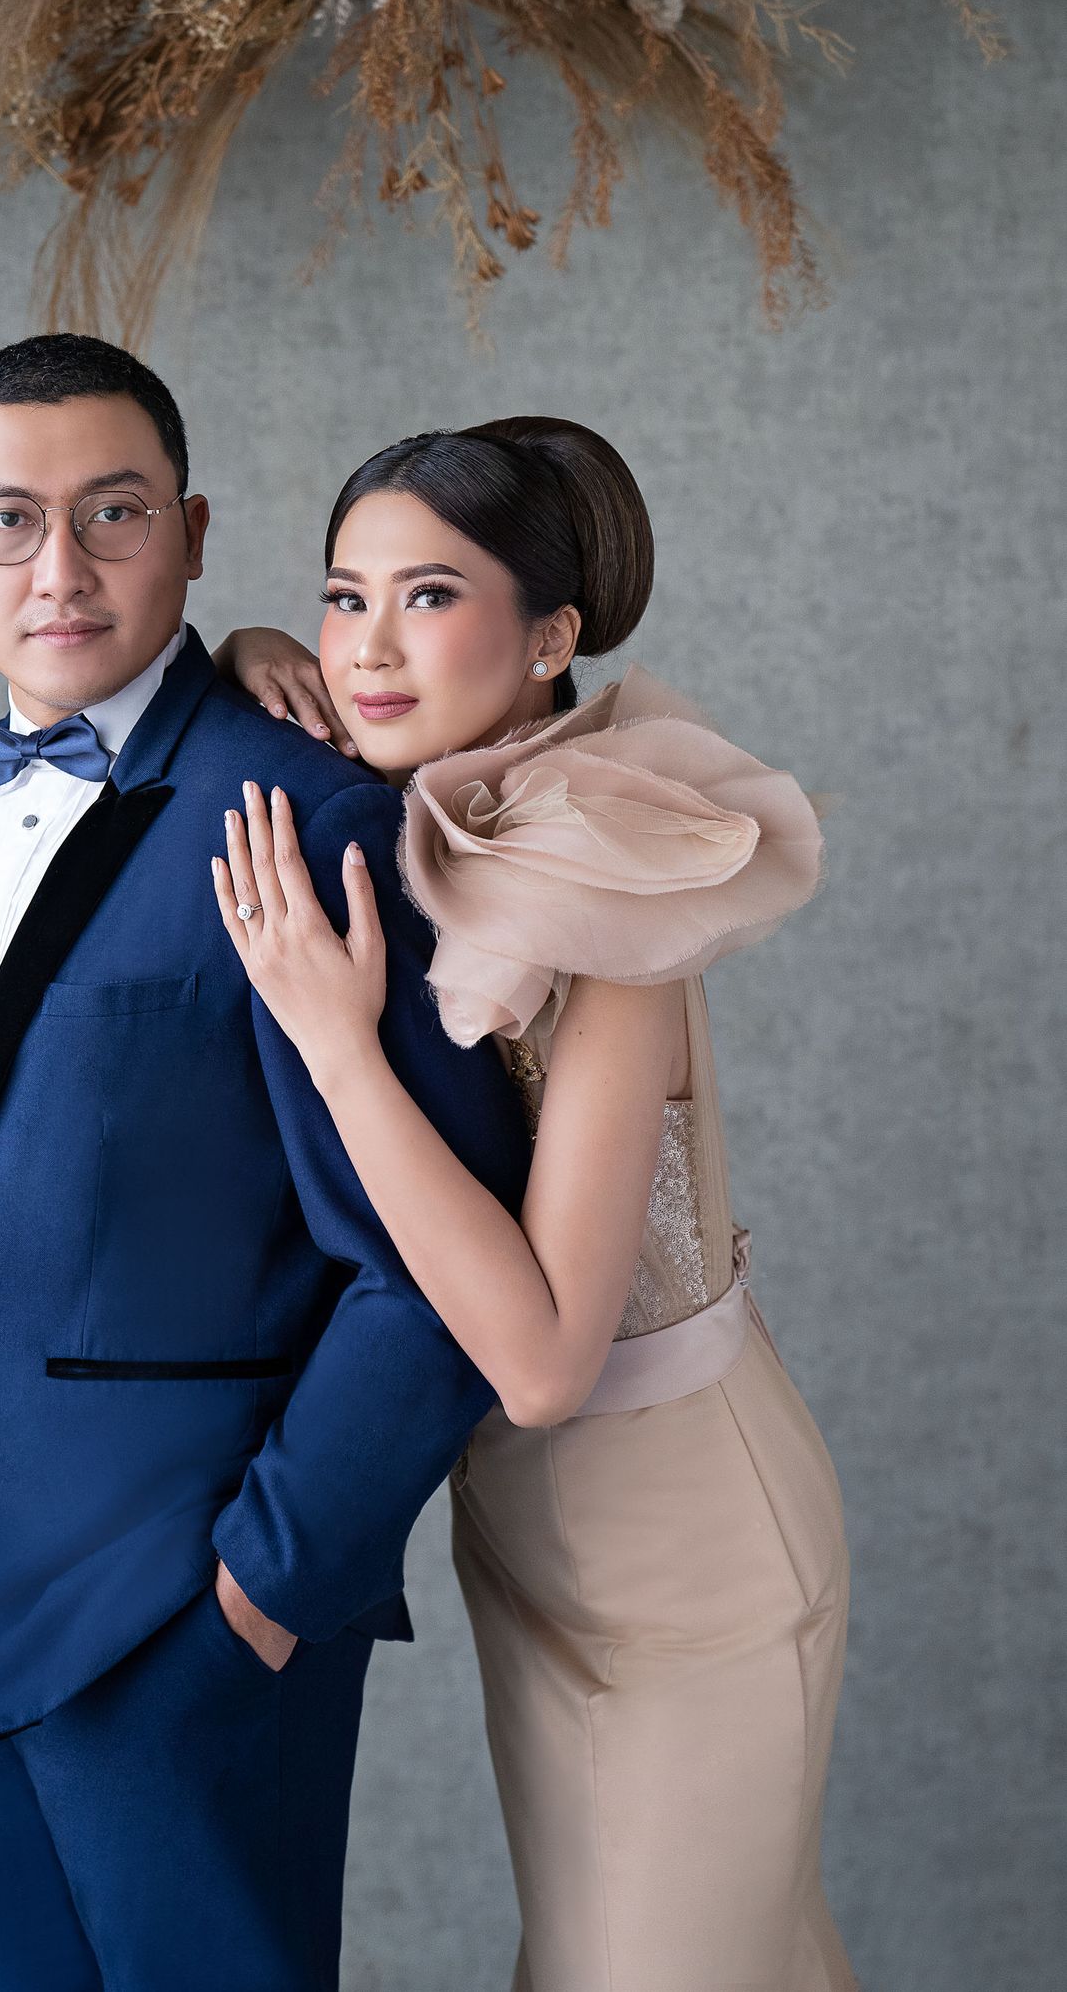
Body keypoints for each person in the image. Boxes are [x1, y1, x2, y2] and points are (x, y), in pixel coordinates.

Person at [0, 335, 532, 1992]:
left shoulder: (309, 812)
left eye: (114, 512)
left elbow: (436, 1256)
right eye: (9, 520)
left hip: (186, 1615)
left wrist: (262, 1591)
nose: (60, 569)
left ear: (194, 535)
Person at [214, 418, 858, 1991]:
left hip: (689, 1560)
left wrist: (336, 1044)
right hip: (534, 1540)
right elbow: (335, 690)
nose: (368, 648)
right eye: (343, 597)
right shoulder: (450, 789)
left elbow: (550, 1358)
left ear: (555, 636)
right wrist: (243, 657)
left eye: (428, 596)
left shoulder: (607, 863)